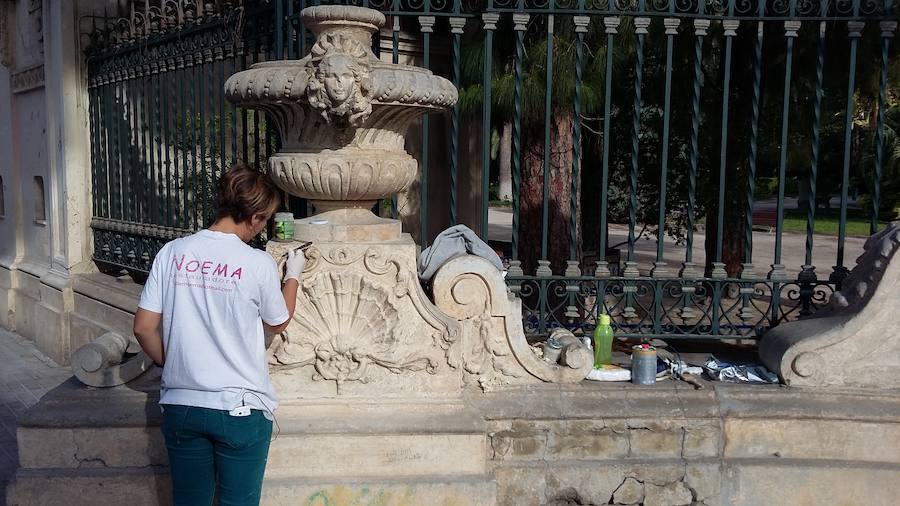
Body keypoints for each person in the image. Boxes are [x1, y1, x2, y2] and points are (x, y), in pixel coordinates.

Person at [133, 164, 306, 505]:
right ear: (255, 217)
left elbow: (143, 327)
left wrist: (175, 363)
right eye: (265, 219)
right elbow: (277, 321)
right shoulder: (256, 262)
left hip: (182, 405)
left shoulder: (173, 253)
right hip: (240, 408)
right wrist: (293, 276)